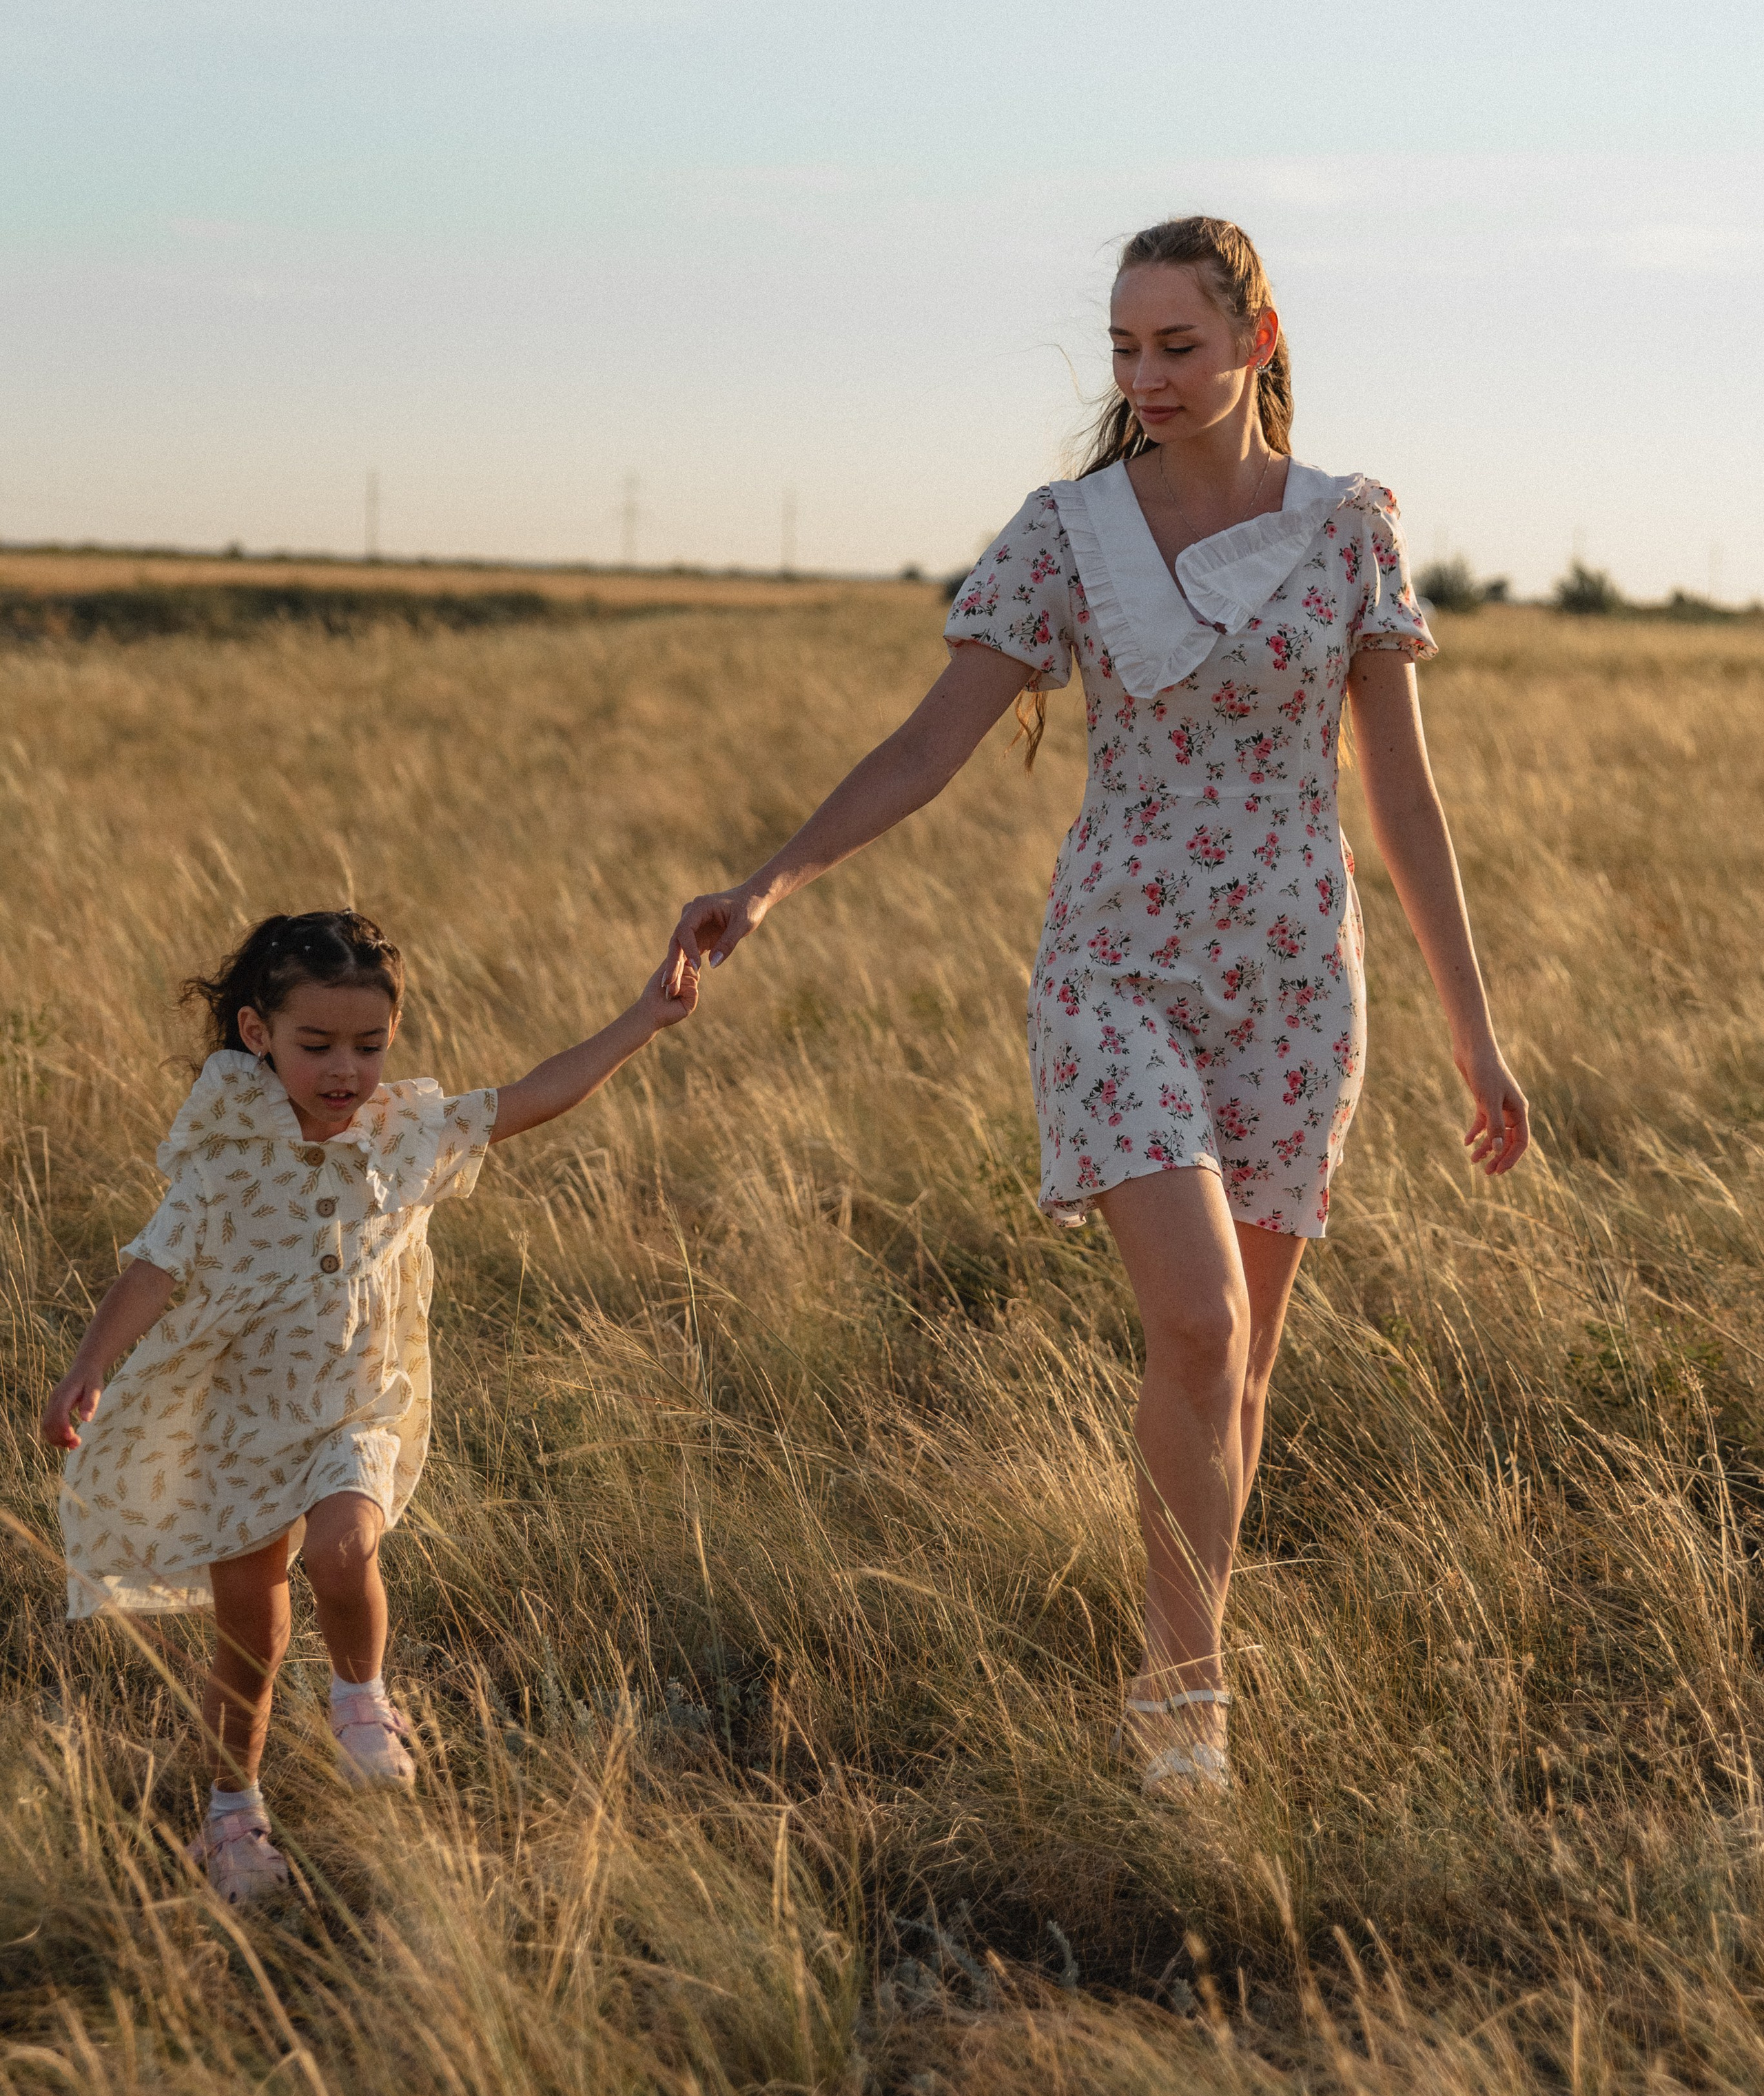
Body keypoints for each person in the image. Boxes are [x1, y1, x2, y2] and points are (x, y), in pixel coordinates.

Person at [666, 214, 1528, 1794]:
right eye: (1123, 349)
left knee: (1237, 1366)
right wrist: (770, 881)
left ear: (1252, 343)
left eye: (1176, 346)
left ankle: (1180, 1692)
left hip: (1291, 985)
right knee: (1191, 1319)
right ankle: (1178, 1709)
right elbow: (927, 745)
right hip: (1114, 971)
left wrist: (1472, 1032)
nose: (1144, 377)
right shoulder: (1067, 531)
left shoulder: (1348, 528)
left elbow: (1400, 800)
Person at [42, 908, 697, 1902]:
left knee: (346, 1549)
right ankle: (232, 1817)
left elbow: (531, 1098)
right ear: (258, 1036)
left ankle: (362, 1700)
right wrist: (90, 1363)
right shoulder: (227, 1156)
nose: (346, 1069)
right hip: (242, 1429)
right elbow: (152, 1270)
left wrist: (641, 1019)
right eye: (317, 1046)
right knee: (249, 1649)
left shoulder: (405, 1134)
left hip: (356, 1407)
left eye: (369, 1045)